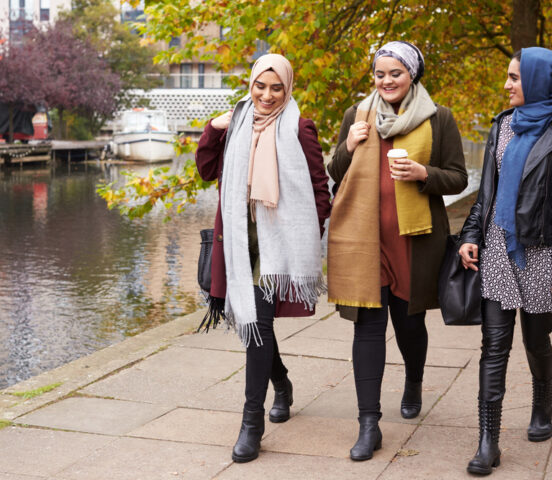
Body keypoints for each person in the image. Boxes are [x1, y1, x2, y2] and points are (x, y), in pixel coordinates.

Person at [326, 41, 467, 461]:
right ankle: (368, 424)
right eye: (380, 74)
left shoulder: (438, 119)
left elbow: (458, 178)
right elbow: (334, 174)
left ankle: (414, 380)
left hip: (416, 243)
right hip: (365, 243)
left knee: (409, 326)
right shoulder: (357, 115)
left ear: (412, 75)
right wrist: (348, 147)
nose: (386, 81)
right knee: (367, 328)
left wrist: (425, 173)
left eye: (395, 73)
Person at [195, 53, 332, 463]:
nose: (267, 95)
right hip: (239, 240)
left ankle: (251, 424)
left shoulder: (300, 127)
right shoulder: (234, 124)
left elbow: (319, 188)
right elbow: (205, 171)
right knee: (254, 325)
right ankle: (283, 383)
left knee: (257, 325)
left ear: (287, 88)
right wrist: (213, 128)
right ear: (250, 85)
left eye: (276, 88)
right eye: (260, 86)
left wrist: (306, 233)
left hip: (278, 244)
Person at [459, 47, 552, 476]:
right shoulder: (503, 126)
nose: (507, 85)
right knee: (494, 346)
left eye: (515, 78)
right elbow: (487, 193)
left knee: (536, 342)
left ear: (537, 80)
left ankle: (543, 404)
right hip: (498, 246)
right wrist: (470, 235)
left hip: (542, 252)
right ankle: (488, 442)